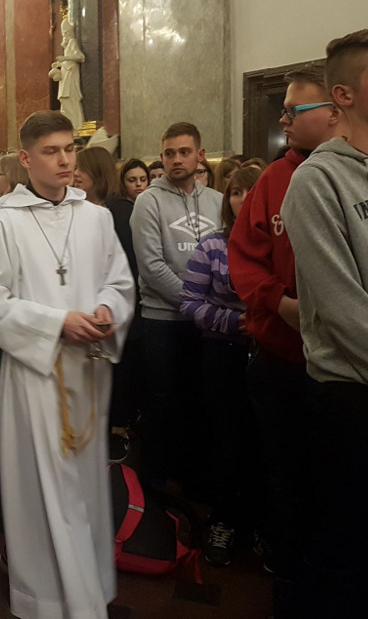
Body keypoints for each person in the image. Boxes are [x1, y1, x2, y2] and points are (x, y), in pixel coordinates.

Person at [282, 26, 368, 618]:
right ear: (344, 95)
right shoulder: (316, 182)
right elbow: (344, 308)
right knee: (346, 552)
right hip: (355, 394)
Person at [0, 110, 135, 619]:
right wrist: (56, 322)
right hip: (36, 375)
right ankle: (49, 599)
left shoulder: (96, 217)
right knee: (45, 489)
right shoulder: (4, 222)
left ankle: (88, 588)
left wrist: (108, 309)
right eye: (51, 151)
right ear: (25, 159)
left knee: (85, 487)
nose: (64, 160)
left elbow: (119, 281)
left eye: (69, 149)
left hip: (88, 371)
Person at [227, 63, 343, 592]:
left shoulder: (362, 171)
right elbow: (245, 256)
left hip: (348, 364)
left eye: (294, 110)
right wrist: (280, 302)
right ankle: (288, 564)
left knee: (337, 473)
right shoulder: (275, 178)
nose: (283, 118)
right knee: (285, 468)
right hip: (281, 355)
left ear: (335, 111)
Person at [130, 121, 223, 492]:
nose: (176, 160)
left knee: (198, 399)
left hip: (209, 322)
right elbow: (152, 267)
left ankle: (192, 476)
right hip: (164, 319)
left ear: (200, 155)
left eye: (184, 152)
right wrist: (196, 305)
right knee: (162, 401)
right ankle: (153, 482)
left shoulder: (216, 201)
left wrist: (211, 309)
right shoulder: (148, 201)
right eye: (169, 153)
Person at [180, 165, 262, 567]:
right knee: (226, 438)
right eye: (235, 192)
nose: (242, 199)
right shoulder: (212, 245)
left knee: (264, 440)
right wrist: (234, 321)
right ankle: (223, 520)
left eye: (250, 191)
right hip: (223, 350)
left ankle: (262, 523)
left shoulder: (280, 244)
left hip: (269, 353)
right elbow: (189, 303)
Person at [74, 146, 140, 460]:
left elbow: (124, 265)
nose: (75, 173)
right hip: (86, 308)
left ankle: (117, 430)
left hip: (114, 306)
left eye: (81, 168)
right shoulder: (78, 209)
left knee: (118, 376)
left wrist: (108, 300)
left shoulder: (118, 210)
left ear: (97, 172)